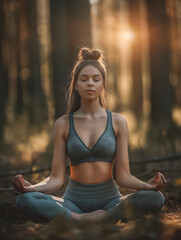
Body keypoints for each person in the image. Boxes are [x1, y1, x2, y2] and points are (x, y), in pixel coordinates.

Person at [12, 47, 167, 224]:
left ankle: (99, 218)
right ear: (76, 85)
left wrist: (148, 186)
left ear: (103, 85)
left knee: (155, 197)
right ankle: (82, 218)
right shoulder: (63, 124)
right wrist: (32, 188)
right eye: (84, 79)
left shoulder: (118, 122)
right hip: (72, 203)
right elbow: (56, 179)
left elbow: (123, 176)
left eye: (96, 79)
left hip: (111, 201)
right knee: (25, 200)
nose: (90, 83)